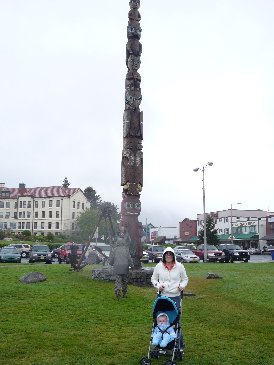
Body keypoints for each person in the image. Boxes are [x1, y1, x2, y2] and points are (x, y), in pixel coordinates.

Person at [151, 247, 188, 353]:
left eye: (170, 254)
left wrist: (182, 285)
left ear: (173, 255)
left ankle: (178, 346)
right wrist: (158, 285)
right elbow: (153, 279)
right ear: (164, 256)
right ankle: (160, 345)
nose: (168, 256)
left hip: (175, 296)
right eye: (166, 254)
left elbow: (185, 279)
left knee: (175, 322)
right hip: (162, 297)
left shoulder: (179, 266)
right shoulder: (159, 266)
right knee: (160, 321)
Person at [109, 231, 133, 300]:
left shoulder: (115, 249)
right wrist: (132, 266)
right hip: (125, 267)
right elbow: (129, 258)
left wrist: (110, 263)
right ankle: (124, 294)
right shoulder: (126, 249)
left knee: (118, 281)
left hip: (117, 267)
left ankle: (117, 293)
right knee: (125, 281)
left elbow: (112, 258)